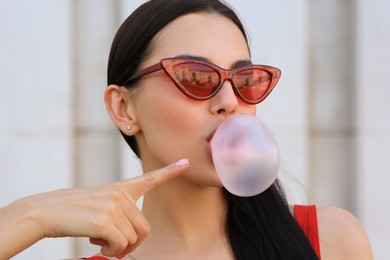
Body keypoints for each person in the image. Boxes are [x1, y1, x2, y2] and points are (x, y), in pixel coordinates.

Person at [0, 0, 373, 259]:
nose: (229, 100)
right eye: (196, 77)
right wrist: (31, 215)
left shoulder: (328, 239)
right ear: (124, 107)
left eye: (245, 80)